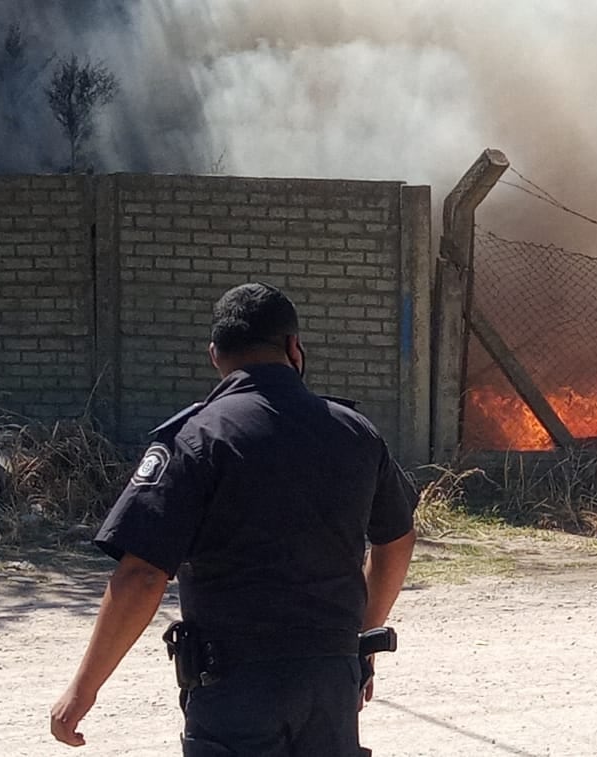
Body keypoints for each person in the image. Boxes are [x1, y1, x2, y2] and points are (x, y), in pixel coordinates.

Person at [49, 282, 419, 755]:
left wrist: (83, 690)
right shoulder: (356, 433)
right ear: (293, 347)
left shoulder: (196, 437)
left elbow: (142, 576)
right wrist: (358, 645)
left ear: (215, 356)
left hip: (236, 689)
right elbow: (397, 540)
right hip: (329, 684)